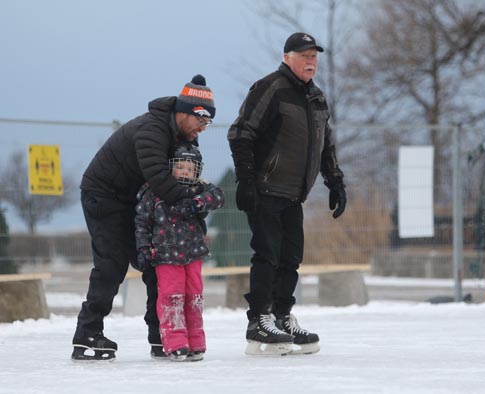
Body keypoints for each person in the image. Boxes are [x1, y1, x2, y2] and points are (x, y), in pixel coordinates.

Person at [71, 74, 216, 361]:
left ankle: (161, 335)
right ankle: (87, 333)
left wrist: (199, 204)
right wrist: (191, 206)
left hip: (135, 200)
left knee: (156, 262)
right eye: (201, 120)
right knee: (112, 263)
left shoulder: (181, 136)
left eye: (207, 122)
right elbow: (161, 180)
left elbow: (185, 181)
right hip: (105, 196)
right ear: (185, 113)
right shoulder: (153, 129)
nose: (203, 127)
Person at [228, 32, 347, 356]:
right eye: (304, 55)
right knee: (267, 254)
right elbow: (241, 134)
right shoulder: (271, 88)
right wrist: (247, 180)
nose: (311, 62)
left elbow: (326, 145)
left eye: (314, 56)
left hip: (295, 194)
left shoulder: (317, 98)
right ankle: (259, 321)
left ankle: (281, 315)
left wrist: (335, 181)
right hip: (266, 188)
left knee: (290, 259)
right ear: (287, 57)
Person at [134, 143, 224, 361]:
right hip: (166, 256)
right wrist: (144, 248)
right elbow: (142, 222)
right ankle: (175, 343)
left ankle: (196, 343)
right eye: (180, 167)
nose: (185, 172)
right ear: (171, 167)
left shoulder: (198, 189)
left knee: (193, 298)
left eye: (190, 169)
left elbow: (218, 197)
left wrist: (197, 203)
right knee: (171, 298)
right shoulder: (155, 190)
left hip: (193, 253)